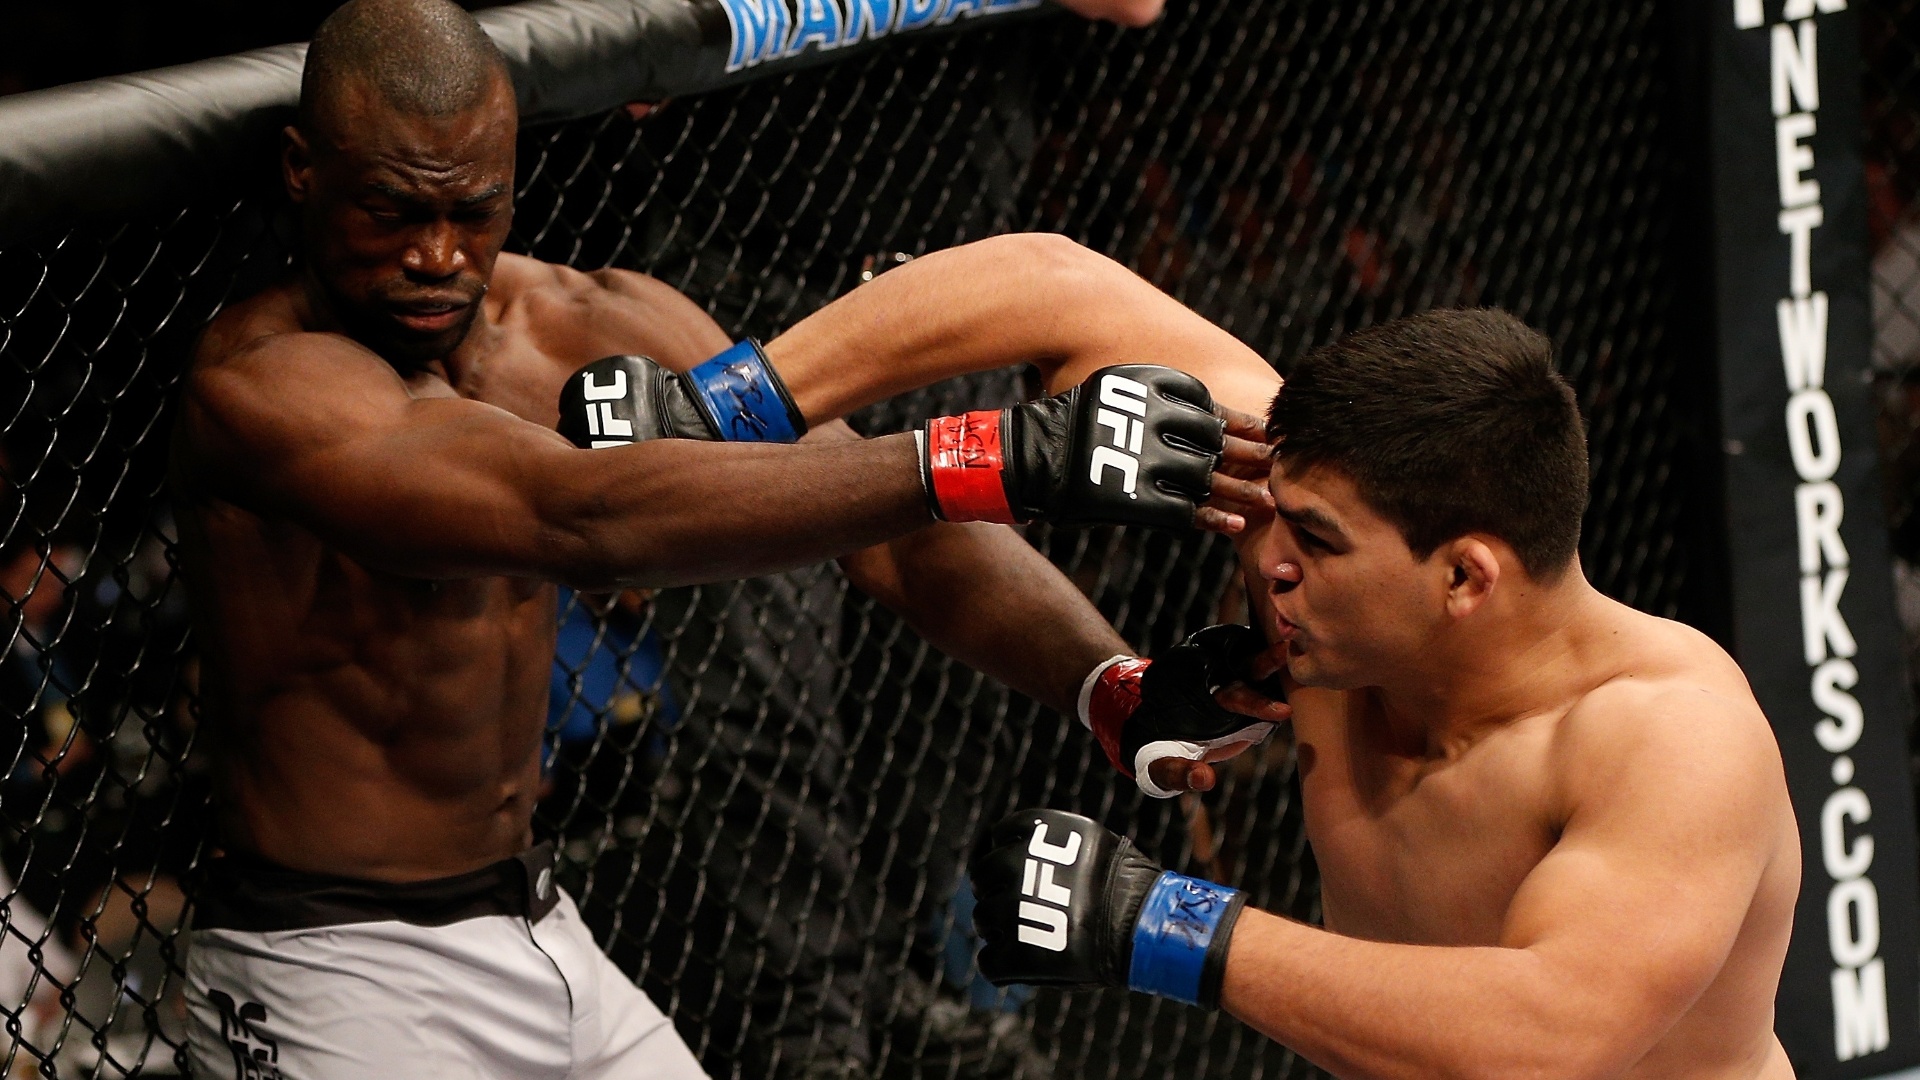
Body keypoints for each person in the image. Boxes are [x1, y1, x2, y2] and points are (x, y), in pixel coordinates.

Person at [166, 0, 1286, 1076]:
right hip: (330, 960)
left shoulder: (592, 320)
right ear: (304, 172)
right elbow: (579, 518)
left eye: (474, 212)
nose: (438, 257)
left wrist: (1110, 683)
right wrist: (997, 454)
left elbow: (894, 539)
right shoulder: (264, 382)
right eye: (394, 212)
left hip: (538, 923)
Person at [967, 309, 1800, 1078]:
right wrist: (835, 391)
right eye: (1278, 517)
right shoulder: (1334, 555)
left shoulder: (1675, 739)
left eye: (1316, 541)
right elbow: (1051, 285)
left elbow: (1551, 1039)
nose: (1266, 561)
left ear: (1464, 577)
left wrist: (1159, 924)